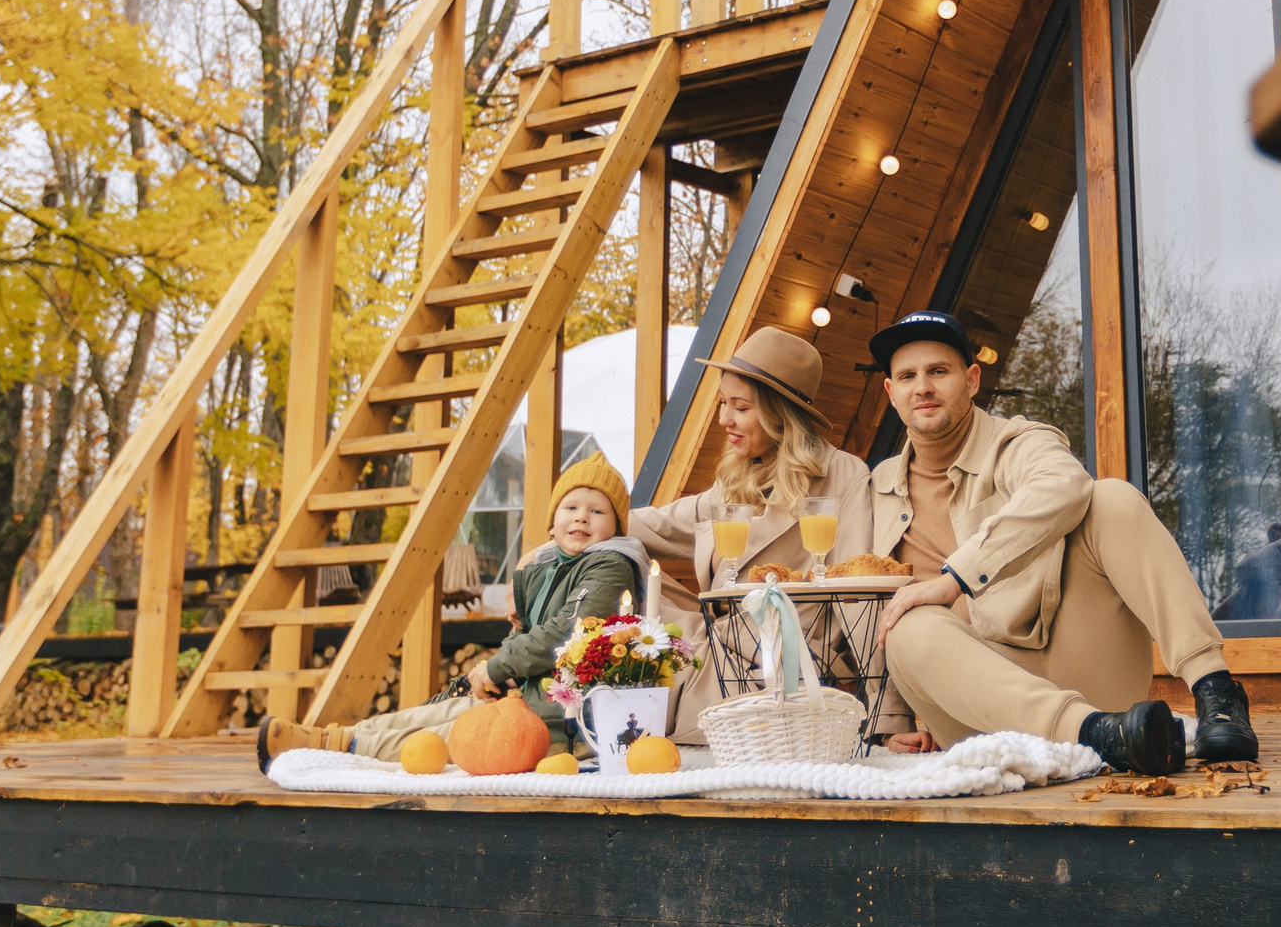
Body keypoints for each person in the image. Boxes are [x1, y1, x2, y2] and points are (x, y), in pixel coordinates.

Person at [865, 309, 1258, 775]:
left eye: (938, 372)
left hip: (1084, 671)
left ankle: (1217, 692)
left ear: (971, 380)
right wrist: (892, 719)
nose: (923, 387)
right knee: (909, 626)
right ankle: (1098, 736)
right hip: (980, 712)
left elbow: (1063, 483)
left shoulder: (1018, 442)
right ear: (891, 392)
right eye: (908, 376)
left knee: (1111, 499)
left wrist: (956, 579)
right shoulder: (878, 487)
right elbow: (873, 604)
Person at [255, 453, 650, 767]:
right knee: (432, 714)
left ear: (615, 527)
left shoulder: (610, 565)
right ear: (552, 522)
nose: (582, 516)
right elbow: (528, 633)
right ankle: (328, 738)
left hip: (566, 715)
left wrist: (498, 667)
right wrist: (505, 671)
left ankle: (338, 749)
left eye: (597, 512)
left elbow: (568, 633)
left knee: (456, 731)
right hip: (528, 695)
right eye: (571, 507)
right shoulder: (546, 567)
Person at [627, 326, 874, 739]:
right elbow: (658, 524)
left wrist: (884, 718)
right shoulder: (737, 478)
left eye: (739, 407)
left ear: (780, 413)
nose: (724, 419)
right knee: (615, 564)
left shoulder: (844, 477)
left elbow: (858, 597)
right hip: (717, 644)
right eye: (724, 403)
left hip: (787, 659)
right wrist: (559, 539)